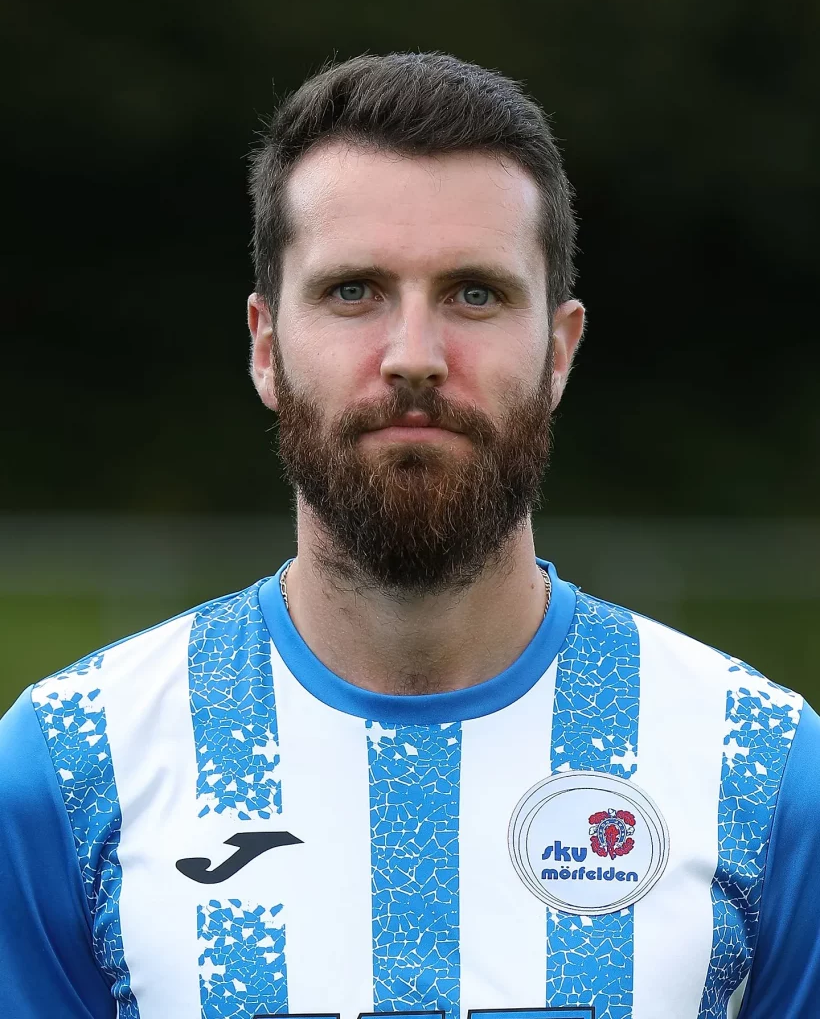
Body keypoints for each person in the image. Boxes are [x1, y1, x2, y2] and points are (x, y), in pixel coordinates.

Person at [0, 52, 817, 1019]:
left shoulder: (762, 767)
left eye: (475, 293)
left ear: (560, 352)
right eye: (354, 291)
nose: (415, 357)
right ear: (266, 347)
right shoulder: (68, 765)